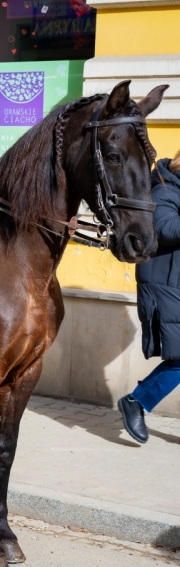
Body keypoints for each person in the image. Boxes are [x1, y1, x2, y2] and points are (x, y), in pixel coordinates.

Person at [119, 149, 180, 444]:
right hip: (165, 285)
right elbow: (166, 229)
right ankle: (137, 401)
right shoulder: (165, 187)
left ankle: (138, 401)